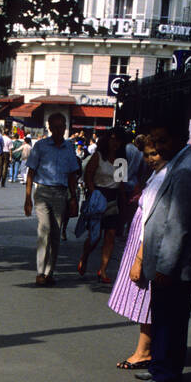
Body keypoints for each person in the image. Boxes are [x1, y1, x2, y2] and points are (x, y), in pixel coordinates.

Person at [134, 113, 191, 382]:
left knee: (171, 319)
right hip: (172, 260)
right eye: (155, 140)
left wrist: (165, 266)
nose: (159, 145)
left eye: (163, 140)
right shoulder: (184, 162)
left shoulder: (186, 169)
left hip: (176, 262)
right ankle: (159, 364)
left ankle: (166, 372)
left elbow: (178, 224)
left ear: (180, 138)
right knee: (165, 316)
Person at [109, 140, 165, 368]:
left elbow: (120, 180)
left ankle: (145, 349)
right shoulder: (143, 164)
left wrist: (139, 259)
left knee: (145, 296)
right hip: (127, 202)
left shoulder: (124, 156)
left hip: (127, 207)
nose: (149, 158)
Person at [23, 112, 81, 287]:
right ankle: (40, 271)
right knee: (44, 230)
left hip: (61, 194)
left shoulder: (69, 147)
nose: (58, 130)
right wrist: (27, 198)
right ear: (49, 127)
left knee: (55, 234)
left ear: (65, 128)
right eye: (55, 127)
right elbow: (31, 172)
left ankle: (49, 272)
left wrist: (73, 198)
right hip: (42, 192)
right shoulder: (40, 146)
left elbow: (72, 174)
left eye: (61, 127)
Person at [78, 127, 129, 283]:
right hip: (98, 197)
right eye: (112, 139)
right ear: (107, 140)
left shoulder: (122, 162)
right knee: (95, 235)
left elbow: (121, 184)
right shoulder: (98, 156)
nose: (115, 143)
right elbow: (88, 177)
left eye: (118, 140)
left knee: (110, 235)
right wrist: (94, 193)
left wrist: (124, 202)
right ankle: (85, 257)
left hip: (113, 200)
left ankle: (103, 270)